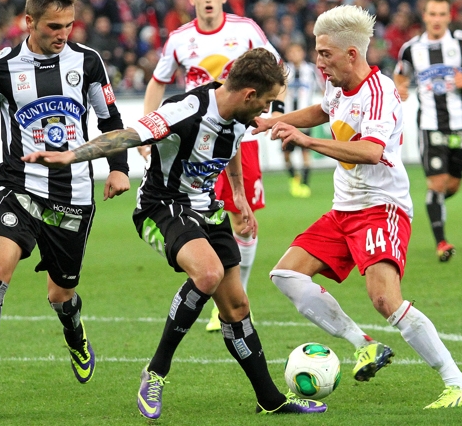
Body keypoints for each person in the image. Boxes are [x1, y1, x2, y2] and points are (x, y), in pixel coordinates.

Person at [22, 48, 327, 419]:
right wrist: (72, 156)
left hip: (207, 208)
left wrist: (240, 194)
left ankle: (270, 399)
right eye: (264, 103)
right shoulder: (185, 109)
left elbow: (230, 146)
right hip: (162, 205)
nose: (265, 111)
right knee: (209, 273)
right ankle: (156, 371)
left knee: (237, 307)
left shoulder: (239, 112)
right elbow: (129, 136)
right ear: (249, 95)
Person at [253, 5, 462, 410]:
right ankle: (365, 345)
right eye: (317, 51)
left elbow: (372, 151)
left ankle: (457, 382)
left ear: (352, 54)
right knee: (286, 273)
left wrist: (308, 142)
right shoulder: (336, 85)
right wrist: (278, 120)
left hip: (381, 207)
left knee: (384, 299)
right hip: (344, 208)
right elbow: (323, 111)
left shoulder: (381, 92)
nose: (318, 61)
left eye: (325, 53)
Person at [0, 0, 130, 416]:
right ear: (29, 23)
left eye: (69, 25)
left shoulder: (88, 62)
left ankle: (74, 330)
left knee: (61, 294)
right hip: (19, 188)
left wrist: (119, 167)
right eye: (53, 26)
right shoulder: (1, 67)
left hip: (73, 196)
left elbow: (110, 119)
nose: (63, 34)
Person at [142, 0, 286, 332]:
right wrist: (148, 130)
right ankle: (211, 278)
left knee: (242, 216)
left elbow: (276, 69)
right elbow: (157, 84)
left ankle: (232, 296)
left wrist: (279, 112)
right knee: (201, 215)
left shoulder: (246, 30)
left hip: (240, 141)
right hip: (195, 145)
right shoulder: (179, 39)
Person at [393, 0, 462, 262]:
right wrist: (400, 88)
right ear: (424, 16)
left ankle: (432, 202)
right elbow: (400, 74)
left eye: (441, 14)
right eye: (432, 14)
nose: (436, 19)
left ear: (449, 16)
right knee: (437, 183)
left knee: (452, 185)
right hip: (429, 125)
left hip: (459, 124)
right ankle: (442, 242)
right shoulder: (411, 48)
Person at [282, 43, 324, 198]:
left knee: (305, 151)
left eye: (297, 51)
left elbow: (323, 88)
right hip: (287, 118)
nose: (295, 55)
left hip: (305, 118)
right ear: (287, 54)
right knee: (287, 154)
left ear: (302, 53)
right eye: (291, 52)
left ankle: (305, 184)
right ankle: (294, 178)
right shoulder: (284, 70)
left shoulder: (311, 70)